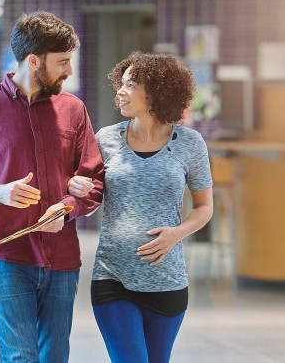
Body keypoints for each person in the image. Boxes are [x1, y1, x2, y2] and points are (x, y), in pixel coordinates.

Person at [0, 11, 105, 362]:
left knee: (54, 357)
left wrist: (67, 208)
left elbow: (94, 182)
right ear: (34, 61)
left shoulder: (74, 110)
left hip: (62, 258)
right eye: (62, 62)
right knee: (20, 357)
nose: (70, 71)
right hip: (7, 257)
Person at [69, 51, 214, 363]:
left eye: (131, 85)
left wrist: (177, 233)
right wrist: (76, 188)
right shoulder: (106, 139)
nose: (120, 91)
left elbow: (204, 207)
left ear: (158, 92)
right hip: (113, 276)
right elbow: (90, 199)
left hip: (167, 279)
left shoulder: (190, 143)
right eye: (121, 83)